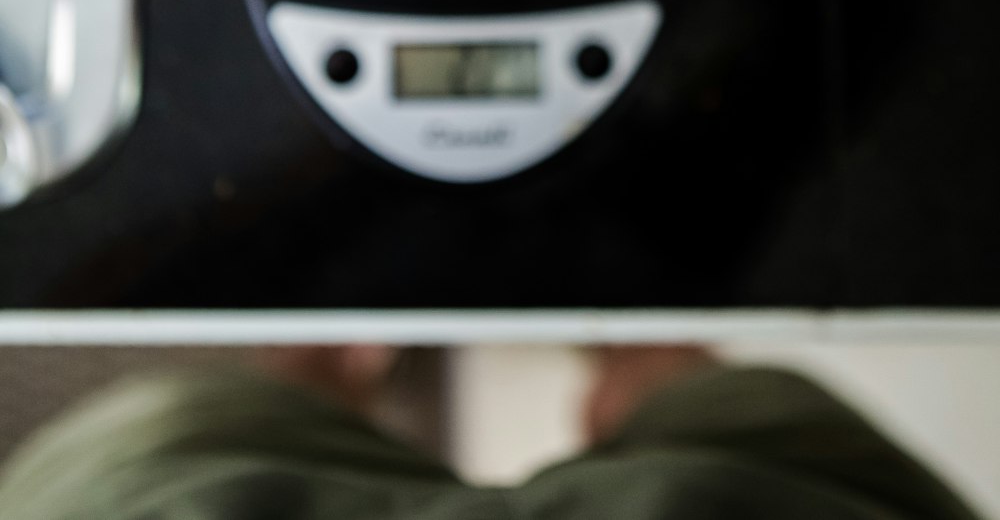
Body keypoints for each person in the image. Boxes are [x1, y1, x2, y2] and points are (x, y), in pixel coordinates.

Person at [0, 344, 984, 520]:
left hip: (194, 507)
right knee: (689, 388)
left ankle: (335, 355)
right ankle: (630, 337)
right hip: (771, 507)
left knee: (215, 415)